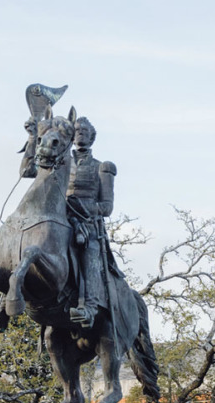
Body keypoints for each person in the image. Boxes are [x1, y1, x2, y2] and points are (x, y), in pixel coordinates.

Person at [65, 116, 116, 328]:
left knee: (90, 250)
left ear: (92, 137)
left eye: (85, 133)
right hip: (61, 216)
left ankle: (90, 306)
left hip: (87, 222)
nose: (80, 135)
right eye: (77, 132)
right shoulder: (61, 163)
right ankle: (3, 305)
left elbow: (106, 207)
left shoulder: (102, 167)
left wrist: (83, 208)